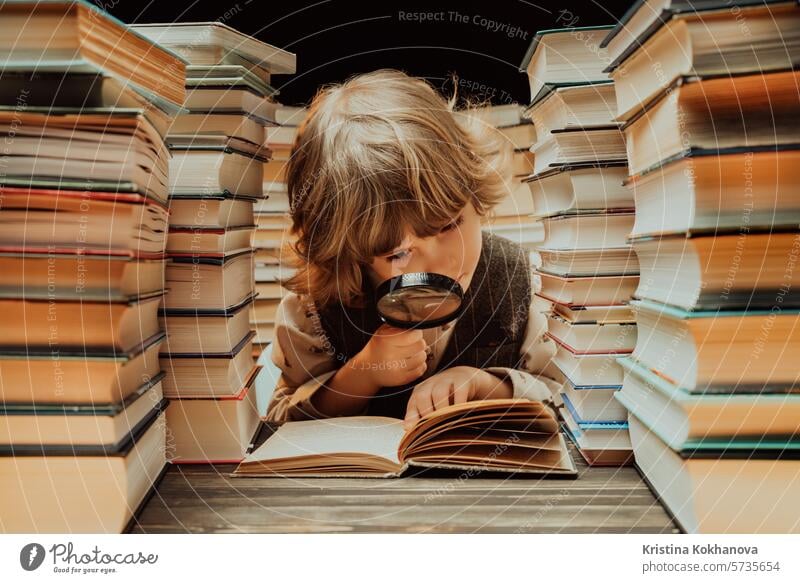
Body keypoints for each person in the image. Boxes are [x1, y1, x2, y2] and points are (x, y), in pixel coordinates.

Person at [265, 69, 558, 430]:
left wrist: (487, 386)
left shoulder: (526, 282)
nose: (441, 263)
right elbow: (280, 419)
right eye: (396, 254)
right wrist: (362, 373)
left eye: (450, 225)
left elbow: (565, 398)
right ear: (349, 254)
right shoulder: (314, 308)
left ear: (474, 196)